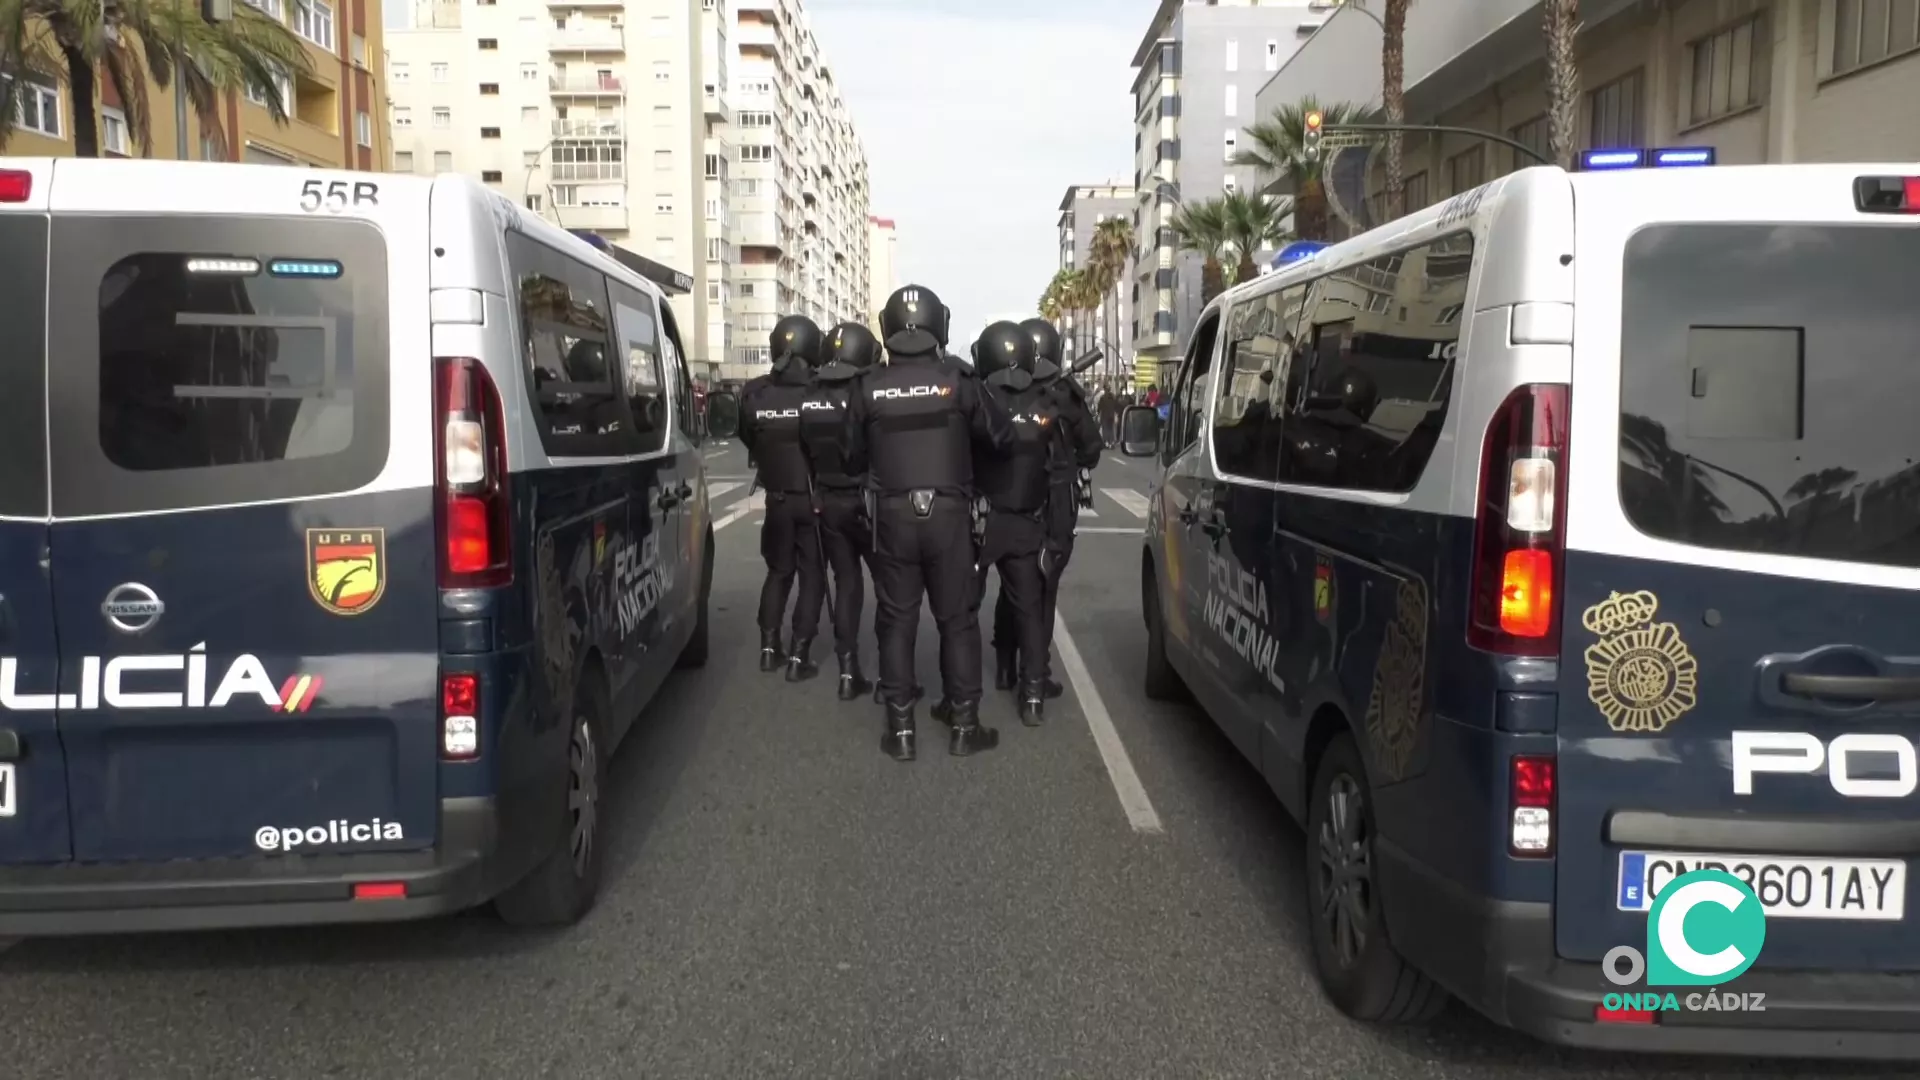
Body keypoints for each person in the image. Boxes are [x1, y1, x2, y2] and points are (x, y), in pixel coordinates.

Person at [845, 285, 1012, 761]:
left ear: (888, 326)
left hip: (892, 515)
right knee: (957, 620)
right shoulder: (958, 380)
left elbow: (847, 453)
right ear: (940, 324)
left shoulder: (868, 385)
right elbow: (999, 437)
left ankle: (900, 731)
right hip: (951, 514)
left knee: (896, 620)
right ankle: (964, 723)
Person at [1004, 317, 1103, 698]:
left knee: (1015, 581)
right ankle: (1037, 674)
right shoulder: (1066, 395)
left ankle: (1005, 665)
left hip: (1013, 498)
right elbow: (1092, 451)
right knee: (1044, 588)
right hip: (1056, 502)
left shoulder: (1006, 390)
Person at [969, 321, 1054, 727]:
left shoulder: (978, 400)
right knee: (1029, 612)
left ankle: (962, 697)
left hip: (980, 524)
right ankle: (1033, 696)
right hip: (1025, 523)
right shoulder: (1045, 402)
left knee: (962, 612)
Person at [737, 315, 827, 678]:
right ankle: (798, 656)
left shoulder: (754, 391)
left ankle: (769, 647)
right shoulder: (819, 390)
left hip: (775, 498)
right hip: (812, 497)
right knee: (813, 577)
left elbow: (748, 437)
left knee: (778, 572)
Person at [801, 321, 881, 700]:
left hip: (827, 501)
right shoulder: (867, 392)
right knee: (890, 589)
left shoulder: (809, 395)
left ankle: (848, 672)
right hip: (868, 502)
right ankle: (893, 672)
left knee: (846, 583)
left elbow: (804, 451)